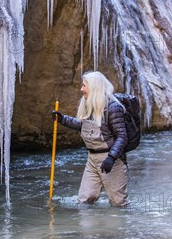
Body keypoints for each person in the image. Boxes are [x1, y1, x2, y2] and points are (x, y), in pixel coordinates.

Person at [52, 71, 129, 206]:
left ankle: (120, 227)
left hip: (112, 161)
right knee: (84, 201)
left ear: (94, 87)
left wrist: (111, 158)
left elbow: (122, 136)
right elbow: (83, 125)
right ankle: (89, 227)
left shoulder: (113, 108)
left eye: (84, 86)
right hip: (92, 160)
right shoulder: (89, 105)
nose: (81, 89)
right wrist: (62, 119)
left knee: (118, 204)